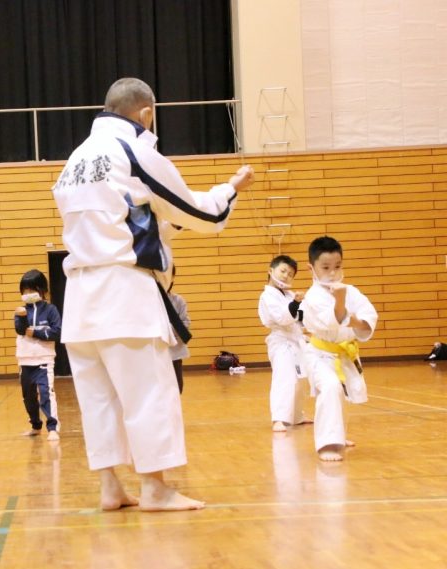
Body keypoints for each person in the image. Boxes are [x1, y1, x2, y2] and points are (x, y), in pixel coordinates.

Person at [52, 77, 254, 511]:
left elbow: (128, 219)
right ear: (146, 113)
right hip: (123, 291)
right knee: (149, 393)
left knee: (99, 398)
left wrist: (163, 226)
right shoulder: (133, 150)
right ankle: (156, 488)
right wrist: (232, 188)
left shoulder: (75, 159)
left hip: (80, 296)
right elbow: (202, 214)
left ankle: (110, 488)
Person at [300, 236, 378, 462]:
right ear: (311, 268)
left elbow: (368, 318)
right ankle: (328, 443)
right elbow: (331, 320)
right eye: (325, 267)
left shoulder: (351, 291)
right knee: (332, 387)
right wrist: (342, 305)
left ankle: (338, 435)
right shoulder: (313, 296)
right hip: (319, 354)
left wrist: (350, 316)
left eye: (337, 266)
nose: (332, 273)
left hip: (343, 352)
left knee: (341, 393)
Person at [258, 255, 312, 432]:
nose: (285, 276)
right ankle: (279, 419)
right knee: (285, 378)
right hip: (280, 342)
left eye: (290, 274)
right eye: (282, 271)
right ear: (271, 270)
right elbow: (282, 318)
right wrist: (296, 303)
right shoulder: (267, 296)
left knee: (300, 380)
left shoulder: (289, 294)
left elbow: (301, 317)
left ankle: (296, 416)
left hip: (296, 341)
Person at [13, 269, 62, 441]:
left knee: (46, 393)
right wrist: (23, 317)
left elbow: (57, 332)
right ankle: (35, 425)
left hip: (44, 359)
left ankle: (53, 427)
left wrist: (34, 333)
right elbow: (20, 330)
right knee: (28, 397)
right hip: (24, 360)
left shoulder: (50, 310)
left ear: (42, 290)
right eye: (25, 291)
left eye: (32, 290)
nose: (28, 294)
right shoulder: (20, 311)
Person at [166, 265, 191, 394]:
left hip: (174, 352)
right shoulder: (149, 301)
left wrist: (168, 329)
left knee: (177, 389)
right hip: (156, 353)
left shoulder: (178, 300)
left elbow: (185, 324)